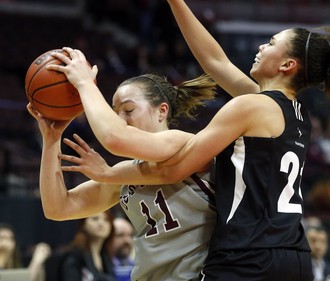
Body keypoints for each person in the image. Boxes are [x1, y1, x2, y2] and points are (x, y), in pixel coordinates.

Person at [43, 1, 330, 280]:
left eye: (272, 43)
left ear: (288, 65)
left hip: (248, 255)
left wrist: (85, 84)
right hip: (293, 253)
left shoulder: (250, 106)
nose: (262, 46)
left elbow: (157, 163)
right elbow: (215, 63)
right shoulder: (291, 113)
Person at [26, 73, 219, 281]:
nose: (119, 120)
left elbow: (115, 139)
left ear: (162, 111)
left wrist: (83, 81)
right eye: (115, 113)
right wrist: (51, 139)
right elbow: (58, 207)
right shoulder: (123, 173)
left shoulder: (184, 143)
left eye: (128, 110)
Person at [59, 211, 116, 281]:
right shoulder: (75, 255)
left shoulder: (105, 255)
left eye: (106, 220)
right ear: (83, 224)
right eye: (95, 219)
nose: (101, 223)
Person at [112, 217, 134, 281]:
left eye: (130, 235)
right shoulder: (100, 265)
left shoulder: (137, 265)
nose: (127, 241)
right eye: (120, 235)